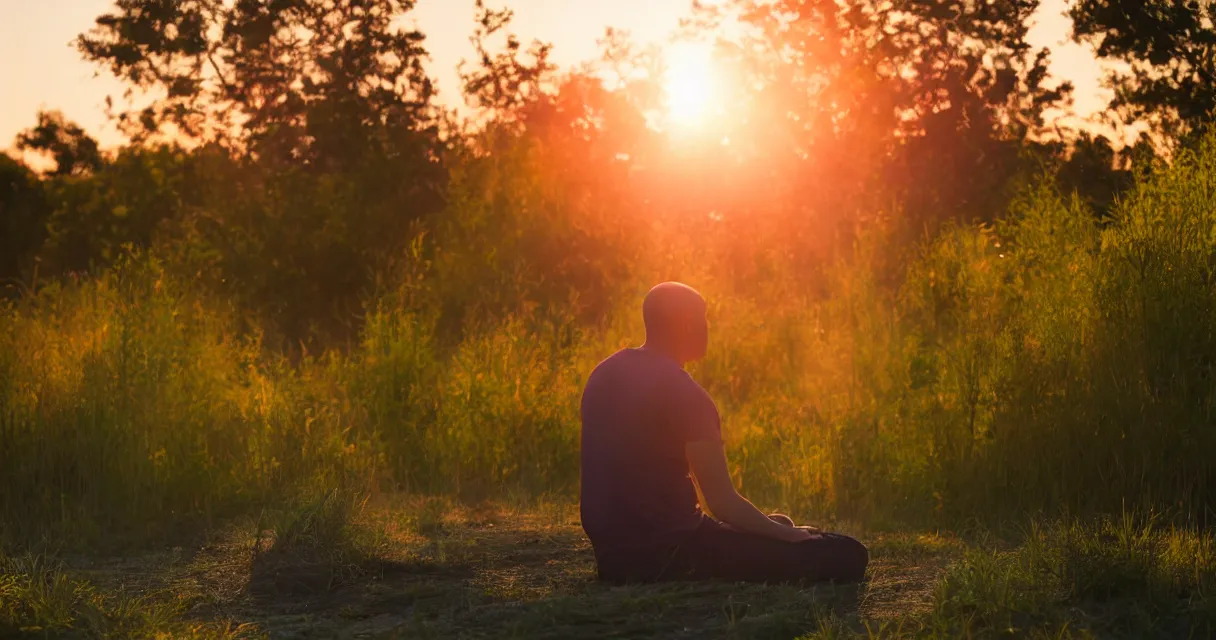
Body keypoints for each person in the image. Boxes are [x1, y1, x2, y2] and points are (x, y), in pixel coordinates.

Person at [579, 282, 868, 584]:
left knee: (775, 523)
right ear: (688, 325)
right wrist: (789, 536)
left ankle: (775, 532)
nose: (707, 327)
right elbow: (722, 503)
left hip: (613, 556)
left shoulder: (603, 374)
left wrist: (778, 529)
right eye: (704, 318)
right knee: (848, 553)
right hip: (673, 553)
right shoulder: (687, 394)